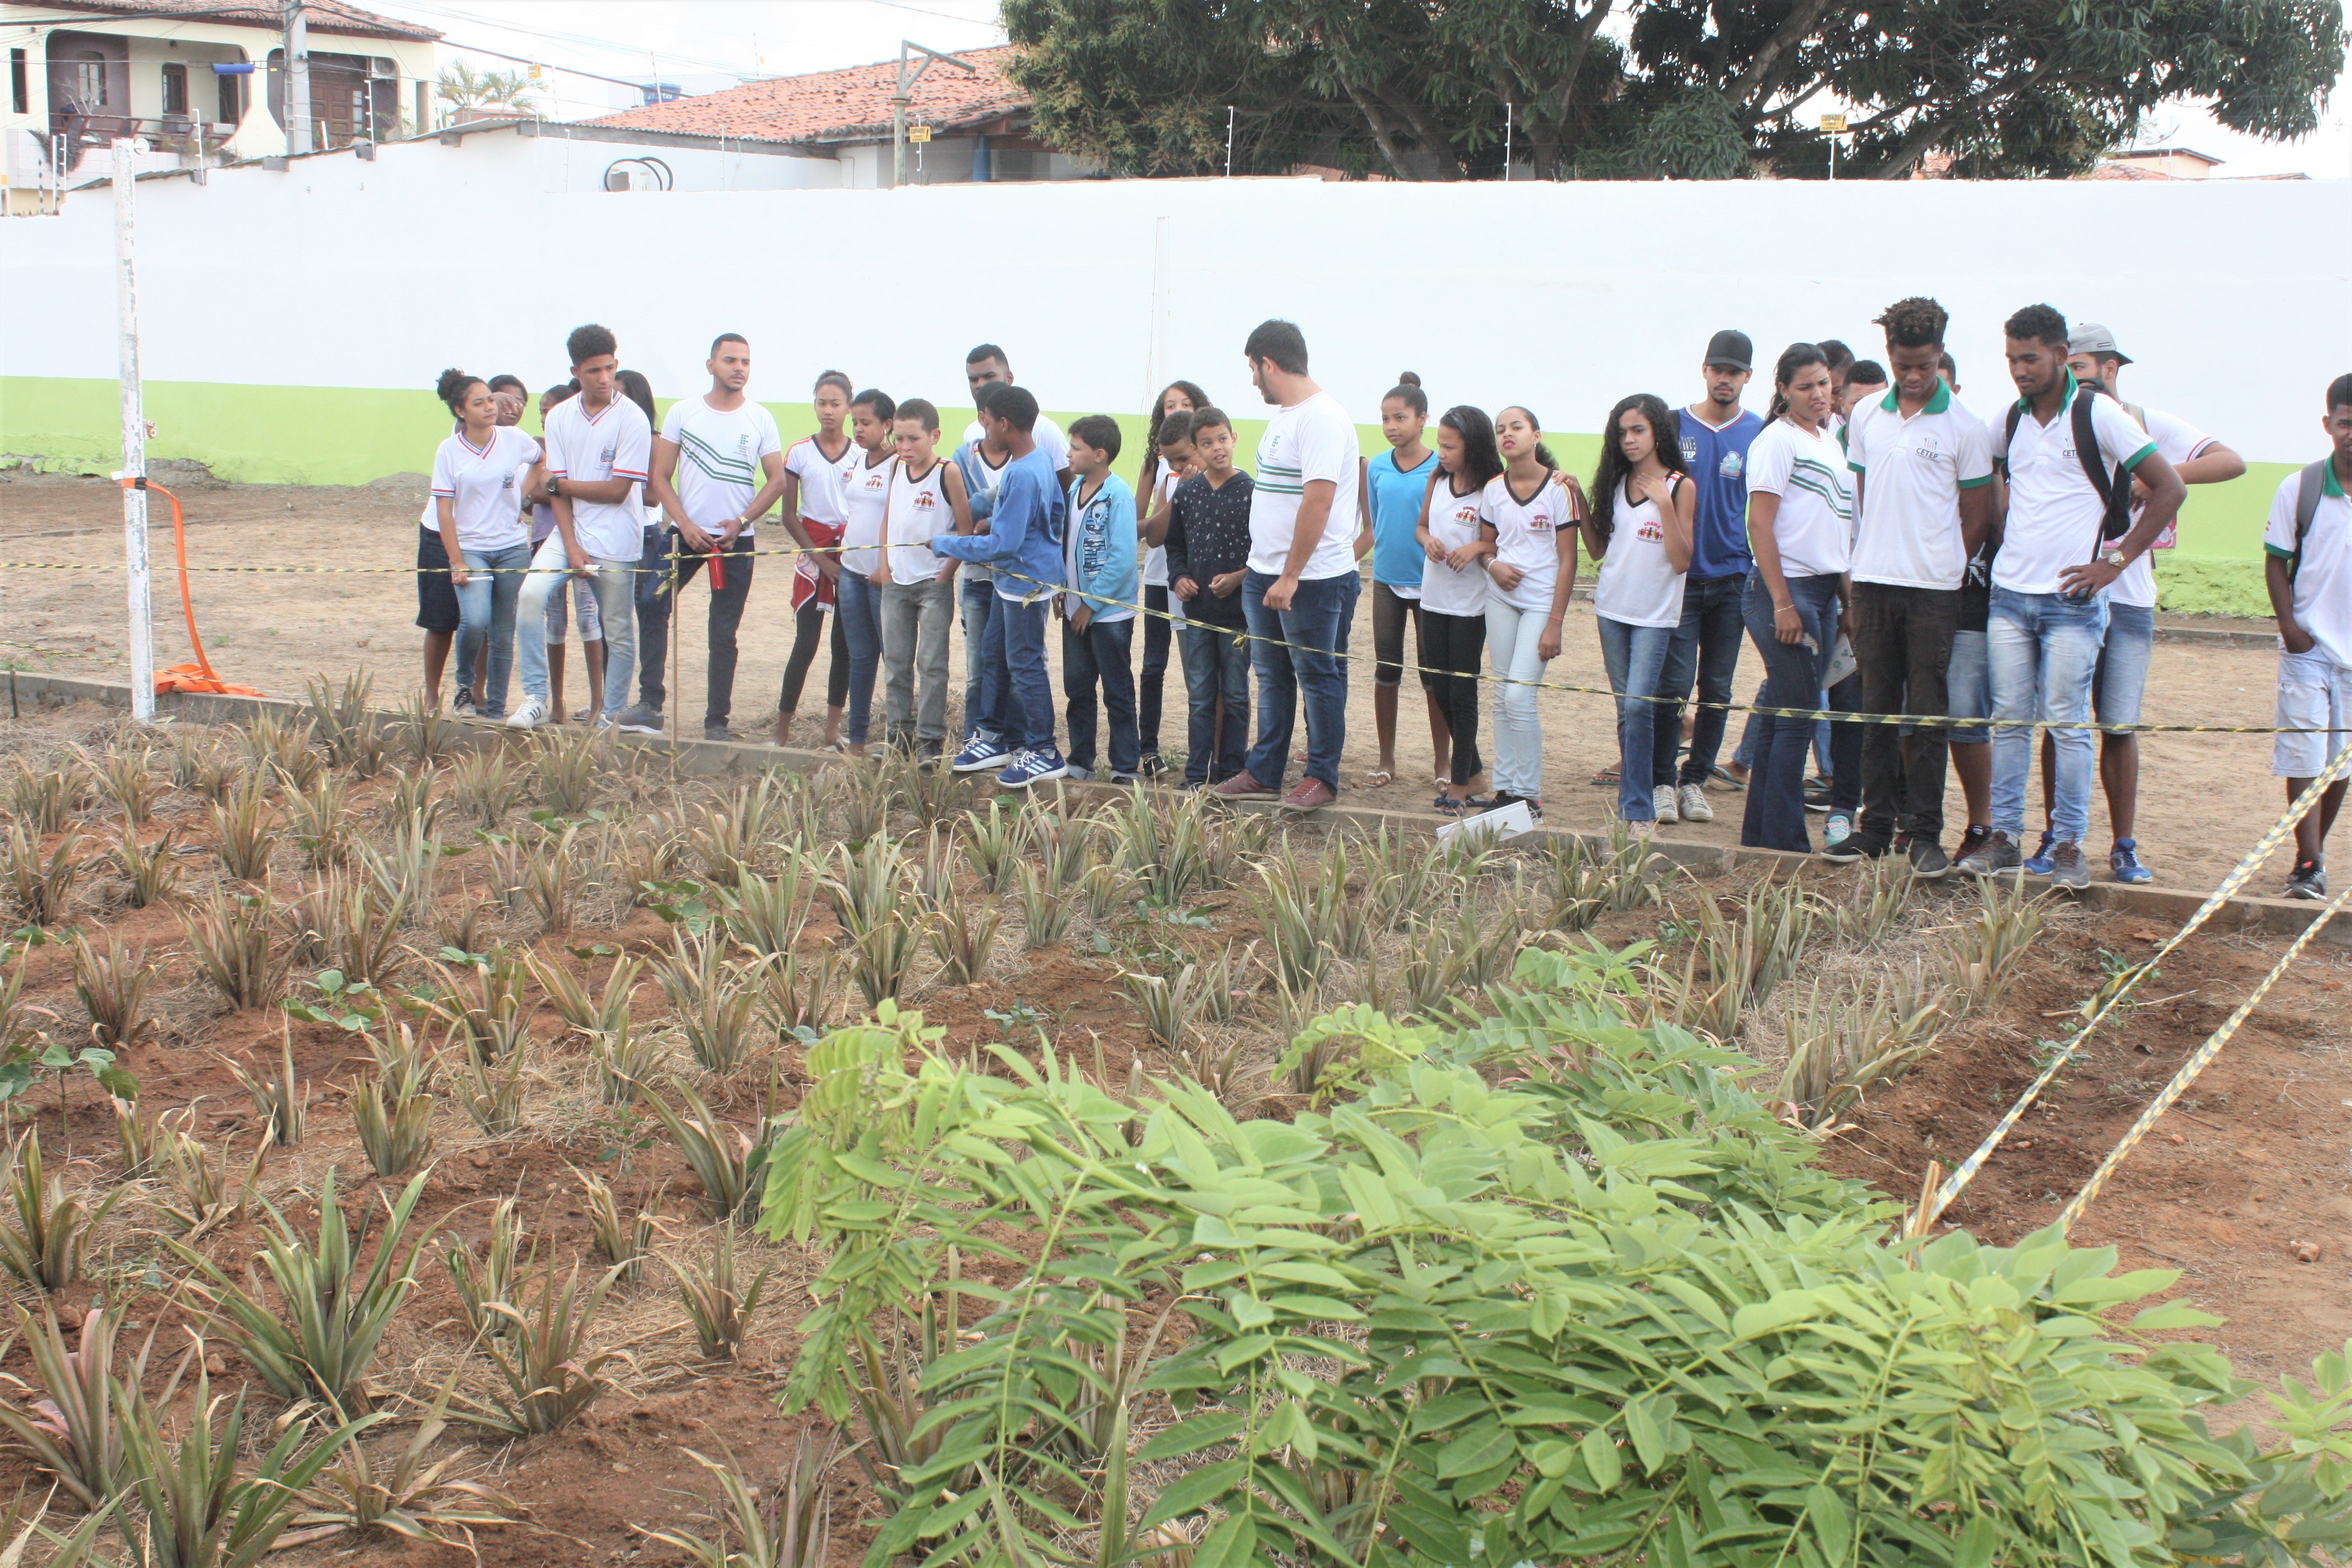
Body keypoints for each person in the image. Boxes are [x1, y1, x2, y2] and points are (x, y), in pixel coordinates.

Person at [1956, 304, 2185, 888]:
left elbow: (2170, 487)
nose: (2019, 370)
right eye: (2011, 359)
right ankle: (2004, 838)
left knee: (2067, 725)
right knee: (2008, 721)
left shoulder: (2098, 415)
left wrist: (2115, 561)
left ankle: (2066, 846)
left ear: (2060, 355)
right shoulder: (2009, 420)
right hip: (2010, 596)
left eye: (2029, 358)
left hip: (2073, 604)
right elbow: (1979, 478)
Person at [2013, 323, 2247, 883]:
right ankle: (2057, 838)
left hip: (2129, 603)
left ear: (2110, 368)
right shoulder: (2054, 423)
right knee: (2062, 723)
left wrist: (2153, 476)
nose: (2076, 380)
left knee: (2118, 727)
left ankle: (2123, 845)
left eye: (2086, 369)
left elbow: (2229, 462)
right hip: (2068, 596)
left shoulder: (2144, 423)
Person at [1831, 296, 1994, 877]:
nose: (1916, 376)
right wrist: (1857, 573)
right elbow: (1859, 501)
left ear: (1940, 354)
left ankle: (1923, 834)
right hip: (1873, 584)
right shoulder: (1866, 416)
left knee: (1926, 715)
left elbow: (1978, 514)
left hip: (1933, 590)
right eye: (1905, 365)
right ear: (1890, 356)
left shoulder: (1966, 426)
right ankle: (1874, 828)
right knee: (1875, 709)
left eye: (1925, 365)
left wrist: (1946, 565)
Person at [1214, 320, 1361, 812]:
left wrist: (1292, 574)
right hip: (1264, 573)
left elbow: (1318, 502)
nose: (1253, 381)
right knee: (1272, 676)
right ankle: (1265, 772)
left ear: (1268, 363)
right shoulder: (1286, 416)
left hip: (1312, 579)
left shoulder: (1320, 418)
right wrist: (1267, 571)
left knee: (1318, 675)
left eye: (1253, 370)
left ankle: (1322, 776)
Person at [635, 334, 786, 744]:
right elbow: (660, 476)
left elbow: (778, 481)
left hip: (736, 543)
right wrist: (683, 523)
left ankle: (716, 722)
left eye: (746, 362)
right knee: (651, 603)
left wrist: (742, 520)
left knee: (723, 631)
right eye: (730, 360)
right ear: (711, 365)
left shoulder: (760, 418)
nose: (739, 368)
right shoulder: (684, 413)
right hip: (684, 536)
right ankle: (650, 705)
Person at [1738, 344, 1853, 853]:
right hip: (1785, 592)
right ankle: (1786, 842)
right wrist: (1783, 604)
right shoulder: (1777, 442)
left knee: (1787, 711)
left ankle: (1761, 833)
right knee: (1800, 715)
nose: (1817, 395)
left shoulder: (1829, 440)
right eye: (1805, 386)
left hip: (1825, 592)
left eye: (1824, 384)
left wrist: (1849, 602)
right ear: (1783, 389)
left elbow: (1838, 530)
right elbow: (1760, 523)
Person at [511, 324, 649, 731]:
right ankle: (536, 698)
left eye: (609, 369)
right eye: (593, 371)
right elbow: (556, 494)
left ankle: (610, 715)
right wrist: (570, 546)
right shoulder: (559, 417)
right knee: (531, 596)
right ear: (576, 372)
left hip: (619, 540)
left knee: (618, 628)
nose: (603, 379)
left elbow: (619, 490)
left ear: (616, 365)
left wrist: (562, 485)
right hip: (569, 533)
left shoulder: (633, 419)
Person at [933, 385, 1068, 788]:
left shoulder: (1026, 472)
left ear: (1004, 424)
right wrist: (998, 520)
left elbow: (1002, 546)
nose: (984, 428)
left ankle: (1043, 750)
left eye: (987, 421)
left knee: (1025, 665)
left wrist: (944, 544)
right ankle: (992, 737)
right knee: (994, 654)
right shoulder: (1033, 460)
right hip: (1012, 581)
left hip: (1024, 583)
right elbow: (1048, 514)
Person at [1656, 330, 1764, 825]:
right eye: (1718, 369)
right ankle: (1661, 780)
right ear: (1704, 370)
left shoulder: (1759, 432)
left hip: (1733, 579)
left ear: (1747, 377)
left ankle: (1694, 781)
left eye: (1735, 371)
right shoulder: (1674, 426)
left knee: (1717, 689)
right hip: (1681, 579)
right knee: (1673, 685)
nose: (1725, 378)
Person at [1582, 395, 1696, 839]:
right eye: (1623, 432)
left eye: (1638, 431)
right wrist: (1575, 495)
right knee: (1626, 710)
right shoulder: (1614, 483)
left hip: (1655, 614)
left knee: (1638, 705)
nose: (1629, 440)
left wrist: (1663, 503)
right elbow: (1596, 551)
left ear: (1657, 434)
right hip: (1612, 609)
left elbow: (1682, 560)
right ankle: (1634, 803)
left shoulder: (1681, 486)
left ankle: (1639, 808)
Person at [2264, 374, 2352, 899]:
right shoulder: (2300, 489)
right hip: (2308, 650)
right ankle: (2309, 862)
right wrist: (2291, 629)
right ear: (2329, 425)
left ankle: (2313, 856)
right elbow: (2277, 564)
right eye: (2346, 423)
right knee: (2303, 756)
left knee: (2340, 762)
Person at [1478, 406, 1580, 819]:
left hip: (1541, 603)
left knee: (1521, 695)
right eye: (1500, 429)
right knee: (1503, 695)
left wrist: (1555, 622)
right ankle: (1505, 791)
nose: (1508, 434)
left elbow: (1569, 560)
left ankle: (1529, 795)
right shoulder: (1493, 489)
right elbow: (1486, 547)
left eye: (1516, 427)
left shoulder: (1559, 489)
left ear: (1536, 435)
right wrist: (1492, 566)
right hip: (1500, 598)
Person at [428, 369, 543, 723]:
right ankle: (464, 688)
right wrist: (457, 560)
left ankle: (494, 709)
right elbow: (444, 512)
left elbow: (541, 459)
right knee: (475, 620)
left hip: (512, 547)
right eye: (479, 403)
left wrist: (521, 494)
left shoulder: (513, 439)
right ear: (461, 412)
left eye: (490, 400)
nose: (490, 408)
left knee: (504, 633)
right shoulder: (449, 451)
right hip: (472, 549)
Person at [1414, 405, 1502, 813]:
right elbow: (1421, 526)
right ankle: (1476, 771)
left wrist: (1476, 548)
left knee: (1463, 693)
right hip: (1433, 598)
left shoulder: (1492, 489)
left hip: (1469, 606)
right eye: (1440, 444)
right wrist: (1427, 540)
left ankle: (1460, 782)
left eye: (1449, 446)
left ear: (1473, 445)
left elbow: (1498, 542)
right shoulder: (1438, 478)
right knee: (1440, 688)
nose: (1442, 453)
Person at [872, 397, 972, 760]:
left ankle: (930, 741)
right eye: (898, 439)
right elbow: (888, 515)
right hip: (896, 583)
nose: (905, 447)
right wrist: (884, 565)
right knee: (896, 664)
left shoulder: (948, 472)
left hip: (933, 584)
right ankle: (896, 739)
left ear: (934, 436)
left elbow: (964, 531)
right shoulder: (896, 468)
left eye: (913, 439)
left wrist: (945, 576)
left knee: (931, 664)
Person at [1361, 372, 1447, 791]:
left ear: (1422, 419)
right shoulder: (1376, 466)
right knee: (1386, 669)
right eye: (1385, 419)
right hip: (1386, 583)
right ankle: (1385, 759)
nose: (1392, 426)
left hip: (1432, 584)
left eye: (1400, 417)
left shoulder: (1442, 466)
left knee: (1433, 674)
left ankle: (1443, 764)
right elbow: (1374, 523)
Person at [1165, 406, 1254, 788]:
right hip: (1198, 614)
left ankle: (1230, 771)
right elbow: (1175, 547)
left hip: (1238, 616)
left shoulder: (1252, 491)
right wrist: (1179, 577)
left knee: (1235, 695)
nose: (1217, 448)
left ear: (1234, 439)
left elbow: (1266, 552)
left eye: (1222, 439)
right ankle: (1195, 775)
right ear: (1196, 450)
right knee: (1200, 696)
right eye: (1207, 443)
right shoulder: (1188, 493)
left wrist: (1238, 578)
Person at [772, 371, 857, 750]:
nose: (828, 410)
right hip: (813, 554)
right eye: (822, 403)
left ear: (849, 407)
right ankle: (781, 730)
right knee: (805, 644)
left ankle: (832, 730)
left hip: (852, 556)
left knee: (845, 646)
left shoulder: (861, 455)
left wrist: (843, 560)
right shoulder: (800, 452)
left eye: (835, 403)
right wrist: (821, 561)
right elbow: (789, 515)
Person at [1060, 415, 1142, 782]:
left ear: (1099, 454)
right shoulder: (1072, 491)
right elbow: (1064, 548)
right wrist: (1061, 593)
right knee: (1077, 688)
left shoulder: (1118, 494)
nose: (1069, 454)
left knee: (1117, 690)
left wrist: (1090, 605)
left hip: (1107, 615)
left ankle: (1125, 766)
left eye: (1076, 448)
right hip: (1072, 611)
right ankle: (1081, 760)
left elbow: (1123, 558)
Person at [1135, 380, 1207, 775]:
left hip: (1195, 582)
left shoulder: (1213, 464)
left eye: (1186, 404)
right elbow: (1143, 527)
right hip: (1160, 578)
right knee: (1152, 666)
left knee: (1199, 670)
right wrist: (1176, 490)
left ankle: (1206, 757)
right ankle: (1148, 751)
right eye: (1169, 406)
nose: (1177, 410)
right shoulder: (1161, 468)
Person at [531, 381, 606, 727]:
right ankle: (557, 703)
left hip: (584, 539)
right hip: (547, 539)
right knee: (555, 620)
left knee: (589, 618)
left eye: (552, 411)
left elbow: (558, 488)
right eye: (543, 412)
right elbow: (537, 492)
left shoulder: (581, 447)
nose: (547, 417)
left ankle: (597, 702)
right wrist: (556, 487)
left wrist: (559, 486)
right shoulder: (541, 451)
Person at [834, 388, 900, 758]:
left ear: (887, 425)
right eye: (855, 421)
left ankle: (898, 741)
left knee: (893, 658)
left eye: (866, 422)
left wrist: (883, 566)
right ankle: (857, 741)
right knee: (860, 658)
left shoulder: (898, 465)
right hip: (851, 573)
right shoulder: (857, 462)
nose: (857, 429)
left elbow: (901, 518)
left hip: (881, 577)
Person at [952, 382, 1011, 750]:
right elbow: (961, 517)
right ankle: (975, 739)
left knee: (1016, 664)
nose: (1002, 427)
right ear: (983, 420)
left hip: (1015, 580)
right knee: (978, 667)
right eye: (995, 419)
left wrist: (990, 522)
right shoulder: (964, 459)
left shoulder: (1024, 461)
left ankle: (1014, 739)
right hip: (976, 579)